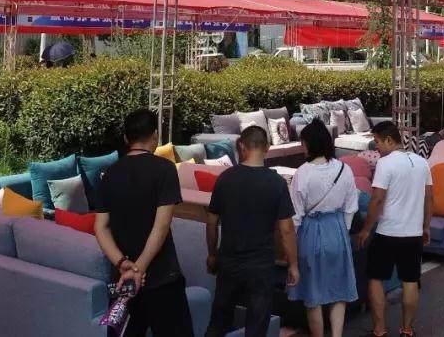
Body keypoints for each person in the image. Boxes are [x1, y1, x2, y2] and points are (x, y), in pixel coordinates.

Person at [94, 109, 193, 337]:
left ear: (126, 138)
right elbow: (161, 225)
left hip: (124, 281)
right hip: (162, 277)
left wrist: (122, 264)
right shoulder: (165, 169)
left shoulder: (109, 174)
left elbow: (100, 227)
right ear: (155, 135)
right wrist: (139, 268)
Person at [205, 125, 299, 337]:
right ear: (267, 148)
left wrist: (212, 254)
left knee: (219, 320)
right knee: (257, 325)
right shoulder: (276, 183)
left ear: (241, 146)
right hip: (261, 265)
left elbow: (211, 222)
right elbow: (286, 230)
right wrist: (293, 265)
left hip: (228, 261)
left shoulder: (225, 178)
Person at [355, 121, 433, 337]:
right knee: (410, 280)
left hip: (387, 233)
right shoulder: (422, 163)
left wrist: (366, 229)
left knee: (375, 278)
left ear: (389, 140)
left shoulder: (385, 164)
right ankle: (407, 330)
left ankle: (379, 330)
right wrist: (426, 226)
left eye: (378, 142)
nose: (376, 147)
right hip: (413, 234)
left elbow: (377, 199)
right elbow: (429, 198)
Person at [288, 119, 359, 337]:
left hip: (310, 232)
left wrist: (293, 243)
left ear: (310, 144)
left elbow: (295, 215)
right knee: (339, 289)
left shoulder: (302, 173)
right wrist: (342, 230)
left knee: (313, 294)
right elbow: (351, 206)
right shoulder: (344, 169)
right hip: (337, 230)